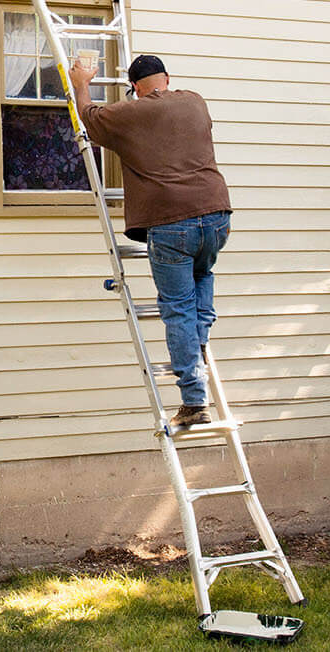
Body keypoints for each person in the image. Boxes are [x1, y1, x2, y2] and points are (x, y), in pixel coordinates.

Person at [67, 53, 232, 431]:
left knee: (176, 309)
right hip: (217, 214)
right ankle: (198, 344)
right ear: (167, 78)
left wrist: (81, 82)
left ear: (136, 88)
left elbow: (89, 119)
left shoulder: (131, 112)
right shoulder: (195, 101)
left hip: (171, 222)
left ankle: (193, 402)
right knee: (202, 280)